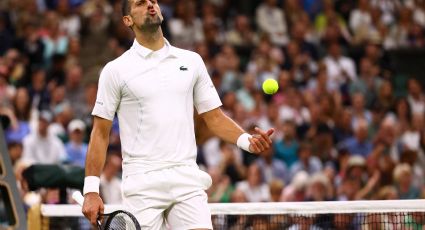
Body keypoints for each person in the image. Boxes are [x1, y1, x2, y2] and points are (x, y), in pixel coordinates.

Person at [82, 0, 274, 229]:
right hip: (142, 183)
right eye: (141, 4)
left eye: (153, 1)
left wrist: (247, 141)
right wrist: (91, 190)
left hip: (186, 179)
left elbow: (213, 116)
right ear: (127, 20)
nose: (151, 5)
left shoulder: (191, 61)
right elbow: (100, 133)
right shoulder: (115, 70)